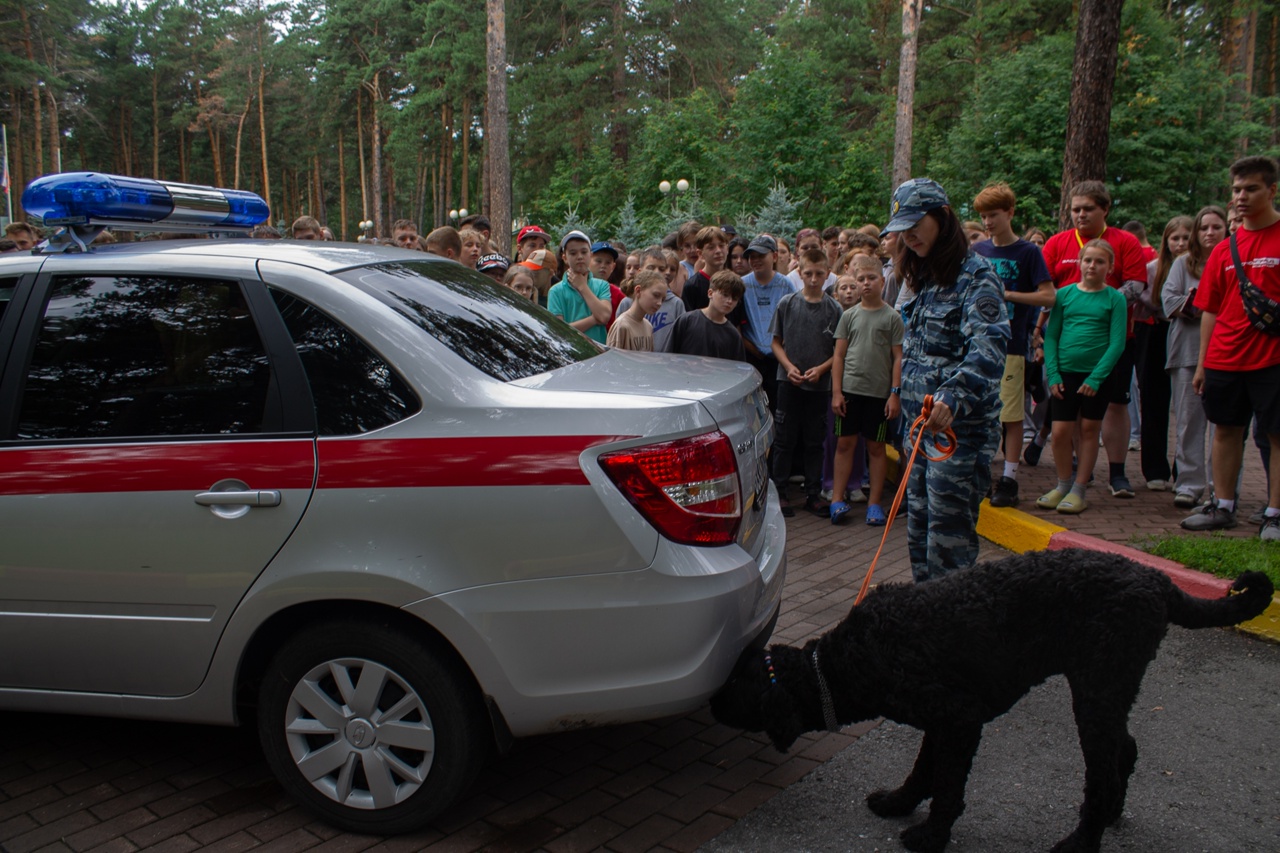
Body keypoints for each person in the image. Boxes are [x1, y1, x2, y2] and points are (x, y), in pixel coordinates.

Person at [886, 178, 1010, 582]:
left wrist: (952, 396)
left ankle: (952, 637)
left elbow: (989, 349)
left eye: (915, 223)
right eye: (901, 227)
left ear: (941, 217)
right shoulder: (923, 275)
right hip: (920, 433)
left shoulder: (976, 276)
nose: (908, 235)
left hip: (958, 435)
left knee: (948, 548)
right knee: (920, 539)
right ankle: (928, 626)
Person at [1182, 155, 1280, 538]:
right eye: (1236, 189)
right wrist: (1203, 363)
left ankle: (1274, 512)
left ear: (1271, 190)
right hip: (1225, 358)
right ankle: (1222, 505)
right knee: (1224, 429)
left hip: (1271, 358)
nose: (1241, 196)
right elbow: (1210, 310)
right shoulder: (1225, 249)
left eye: (1251, 188)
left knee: (1276, 435)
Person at [1039, 180, 1147, 498]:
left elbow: (1137, 285)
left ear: (1105, 209)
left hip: (1111, 344)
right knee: (1066, 421)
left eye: (1088, 209)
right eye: (1075, 209)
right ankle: (1071, 478)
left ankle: (1117, 472)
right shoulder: (1058, 242)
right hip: (1067, 347)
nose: (1081, 215)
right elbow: (1046, 289)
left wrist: (1100, 299)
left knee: (1113, 407)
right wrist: (1066, 299)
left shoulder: (1124, 241)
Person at [971, 182, 1055, 507]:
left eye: (993, 215)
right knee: (981, 413)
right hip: (979, 346)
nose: (988, 222)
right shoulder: (979, 252)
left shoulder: (1028, 252)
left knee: (1010, 415)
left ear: (1010, 212)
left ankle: (1008, 479)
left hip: (1011, 346)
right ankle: (980, 476)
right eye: (983, 216)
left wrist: (1008, 295)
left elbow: (1049, 295)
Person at [1036, 240, 1129, 515]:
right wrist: (1052, 373)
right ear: (1079, 262)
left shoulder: (1115, 299)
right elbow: (1051, 336)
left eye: (1100, 261)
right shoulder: (1063, 295)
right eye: (1088, 260)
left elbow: (1117, 344)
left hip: (1097, 378)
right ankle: (1062, 484)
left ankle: (1079, 489)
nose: (1092, 265)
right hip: (1064, 374)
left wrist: (1096, 378)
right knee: (1060, 432)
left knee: (1089, 430)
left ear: (1109, 267)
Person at [830, 254, 904, 526]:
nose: (866, 284)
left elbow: (898, 357)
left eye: (871, 278)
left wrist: (894, 393)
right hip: (850, 390)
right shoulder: (849, 316)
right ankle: (837, 499)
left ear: (882, 281)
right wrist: (836, 392)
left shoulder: (892, 317)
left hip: (879, 394)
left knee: (876, 448)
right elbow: (838, 356)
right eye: (860, 279)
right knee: (845, 444)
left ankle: (874, 504)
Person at [1161, 205, 1227, 508]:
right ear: (1197, 233)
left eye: (1216, 227)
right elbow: (1170, 302)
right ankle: (1188, 484)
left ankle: (1223, 489)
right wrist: (1207, 301)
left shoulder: (1233, 259)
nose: (1210, 233)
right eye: (1204, 228)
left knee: (1226, 426)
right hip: (1186, 353)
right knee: (1188, 422)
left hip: (1228, 353)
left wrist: (1198, 302)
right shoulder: (1182, 264)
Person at [769, 248, 843, 517]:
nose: (813, 279)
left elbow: (839, 351)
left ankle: (813, 493)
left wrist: (821, 370)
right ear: (800, 273)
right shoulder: (787, 303)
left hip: (818, 386)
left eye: (819, 274)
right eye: (808, 274)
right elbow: (775, 342)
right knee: (785, 439)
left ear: (827, 275)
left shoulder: (834, 309)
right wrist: (788, 367)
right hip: (789, 382)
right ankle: (780, 491)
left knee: (815, 440)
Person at [1135, 216, 1193, 490]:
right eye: (1175, 238)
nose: (1180, 244)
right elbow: (1144, 303)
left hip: (1188, 332)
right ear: (1166, 241)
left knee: (1187, 405)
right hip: (1156, 333)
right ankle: (1155, 469)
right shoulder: (1152, 268)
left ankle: (1185, 469)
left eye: (1185, 237)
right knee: (1153, 401)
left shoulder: (1200, 267)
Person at [740, 235, 795, 411]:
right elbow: (736, 324)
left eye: (761, 256)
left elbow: (792, 320)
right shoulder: (742, 285)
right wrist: (753, 349)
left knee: (777, 405)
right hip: (751, 355)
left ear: (775, 256)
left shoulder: (785, 285)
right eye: (752, 256)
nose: (755, 260)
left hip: (779, 357)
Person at [664, 269, 747, 361]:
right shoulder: (687, 321)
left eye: (734, 298)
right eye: (725, 294)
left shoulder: (733, 335)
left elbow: (736, 369)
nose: (729, 301)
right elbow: (668, 356)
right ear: (710, 293)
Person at [547, 230, 614, 343]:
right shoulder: (555, 291)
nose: (579, 257)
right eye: (573, 253)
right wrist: (593, 319)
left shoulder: (602, 285)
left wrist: (582, 286)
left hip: (599, 354)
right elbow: (559, 331)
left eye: (584, 252)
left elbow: (604, 316)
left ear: (590, 255)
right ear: (565, 258)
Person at [614, 247, 686, 349]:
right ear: (640, 271)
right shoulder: (625, 307)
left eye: (661, 269)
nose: (656, 272)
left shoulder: (676, 304)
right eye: (651, 268)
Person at [607, 270, 666, 351]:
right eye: (656, 295)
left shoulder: (648, 326)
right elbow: (612, 360)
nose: (659, 303)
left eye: (663, 299)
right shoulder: (622, 325)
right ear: (638, 291)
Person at [681, 225, 731, 311]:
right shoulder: (692, 286)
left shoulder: (733, 282)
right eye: (711, 247)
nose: (718, 251)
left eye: (721, 246)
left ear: (727, 249)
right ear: (700, 253)